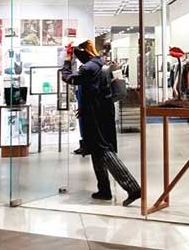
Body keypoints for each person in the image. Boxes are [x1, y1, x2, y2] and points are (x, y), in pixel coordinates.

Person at [60, 40, 141, 206]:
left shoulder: (88, 68)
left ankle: (133, 188)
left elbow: (68, 77)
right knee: (97, 151)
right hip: (104, 112)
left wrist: (67, 61)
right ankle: (104, 190)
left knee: (103, 150)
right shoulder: (102, 63)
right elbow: (94, 90)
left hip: (94, 116)